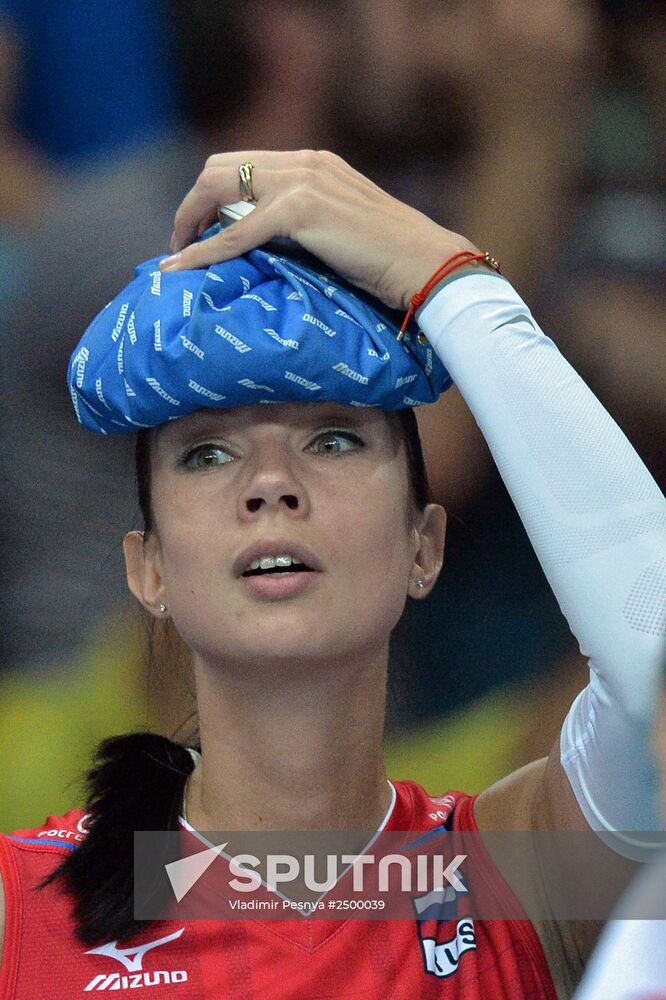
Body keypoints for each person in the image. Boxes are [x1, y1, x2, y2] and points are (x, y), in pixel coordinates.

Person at [0, 150, 664, 998]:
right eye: (208, 454)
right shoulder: (19, 911)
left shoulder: (514, 881)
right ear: (149, 569)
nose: (271, 484)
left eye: (334, 439)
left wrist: (444, 277)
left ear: (425, 545)